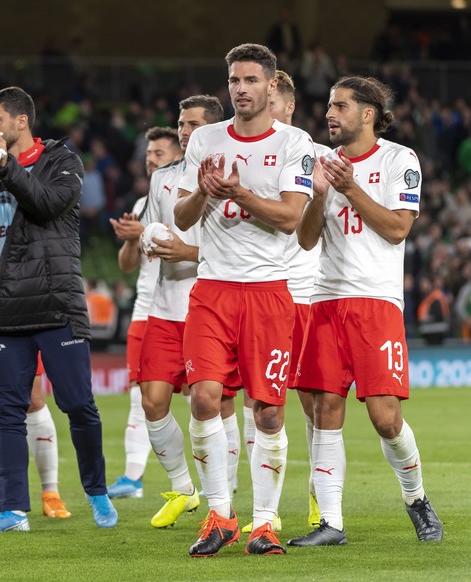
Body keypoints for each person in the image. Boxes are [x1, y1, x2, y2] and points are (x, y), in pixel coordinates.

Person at [0, 85, 118, 532]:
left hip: (55, 304)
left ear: (20, 121)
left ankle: (96, 491)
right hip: (5, 308)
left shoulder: (62, 161)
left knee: (77, 404)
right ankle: (13, 510)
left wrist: (5, 165)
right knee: (6, 412)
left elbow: (47, 205)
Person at [174, 43, 315, 557]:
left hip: (268, 293)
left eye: (251, 80)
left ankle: (264, 522)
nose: (240, 89)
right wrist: (204, 192)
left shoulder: (294, 142)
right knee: (204, 398)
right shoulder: (206, 139)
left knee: (268, 415)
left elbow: (290, 218)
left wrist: (240, 195)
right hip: (212, 291)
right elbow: (184, 219)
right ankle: (220, 514)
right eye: (234, 80)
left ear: (272, 86)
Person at [289, 76, 443, 546]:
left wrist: (351, 190)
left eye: (340, 107)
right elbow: (306, 239)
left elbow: (398, 229)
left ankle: (417, 499)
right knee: (324, 408)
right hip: (325, 299)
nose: (329, 115)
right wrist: (318, 195)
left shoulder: (400, 159)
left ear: (368, 113)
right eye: (329, 107)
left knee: (384, 417)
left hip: (376, 303)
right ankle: (330, 523)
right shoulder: (323, 166)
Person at [238, 70, 328, 534]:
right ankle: (261, 510)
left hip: (308, 293)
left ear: (287, 106)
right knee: (261, 400)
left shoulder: (321, 158)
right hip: (261, 292)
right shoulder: (241, 154)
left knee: (314, 403)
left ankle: (320, 499)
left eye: (272, 107)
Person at [136, 98, 225, 530]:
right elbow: (152, 232)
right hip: (164, 304)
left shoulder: (228, 173)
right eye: (181, 123)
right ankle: (184, 489)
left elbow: (240, 250)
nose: (184, 131)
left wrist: (186, 251)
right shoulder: (162, 178)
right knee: (152, 402)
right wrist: (148, 241)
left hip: (209, 305)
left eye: (192, 124)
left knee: (215, 406)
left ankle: (220, 501)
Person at [106, 126, 181, 500]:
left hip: (190, 308)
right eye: (149, 153)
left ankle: (219, 485)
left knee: (212, 401)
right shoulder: (140, 205)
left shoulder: (189, 198)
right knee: (143, 397)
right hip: (146, 311)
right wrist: (134, 237)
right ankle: (134, 478)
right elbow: (126, 265)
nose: (151, 159)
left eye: (160, 154)